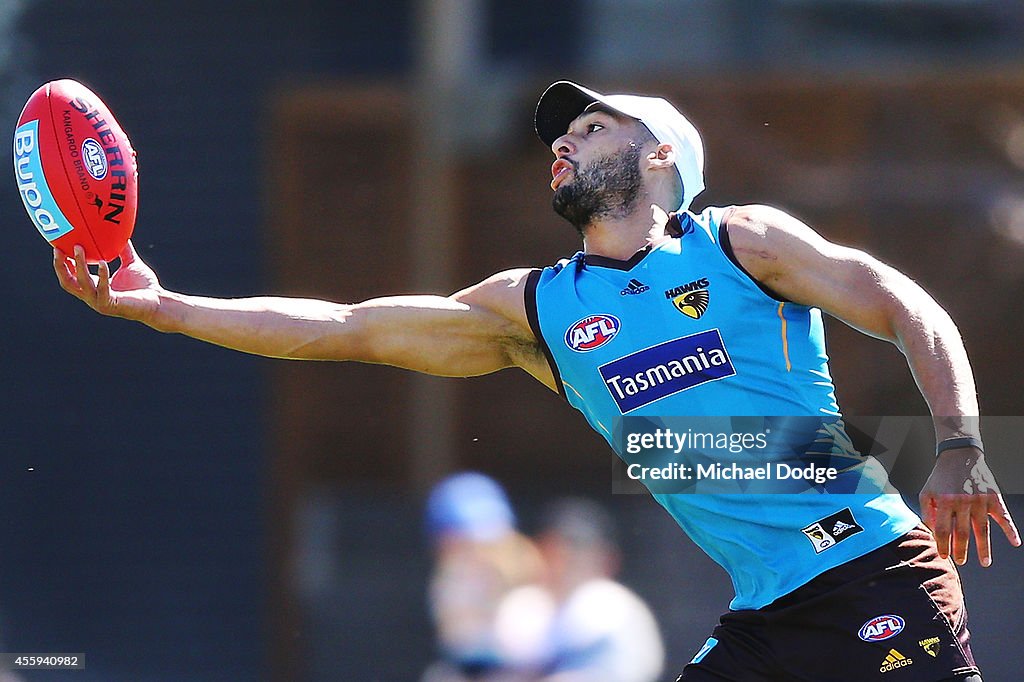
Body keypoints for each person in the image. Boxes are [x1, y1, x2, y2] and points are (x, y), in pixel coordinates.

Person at [52, 79, 1020, 680]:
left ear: (659, 157)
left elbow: (897, 299)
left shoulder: (738, 243)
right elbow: (344, 330)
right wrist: (164, 303)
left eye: (590, 128)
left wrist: (960, 439)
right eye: (560, 135)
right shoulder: (537, 310)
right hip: (765, 616)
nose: (561, 142)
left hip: (868, 573)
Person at [421, 472, 548, 682]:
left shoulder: (532, 592)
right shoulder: (449, 584)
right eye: (464, 546)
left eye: (490, 543)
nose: (480, 555)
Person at [531, 497, 663, 682]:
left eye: (577, 547)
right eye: (557, 547)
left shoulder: (609, 601)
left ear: (608, 558)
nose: (565, 557)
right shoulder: (535, 604)